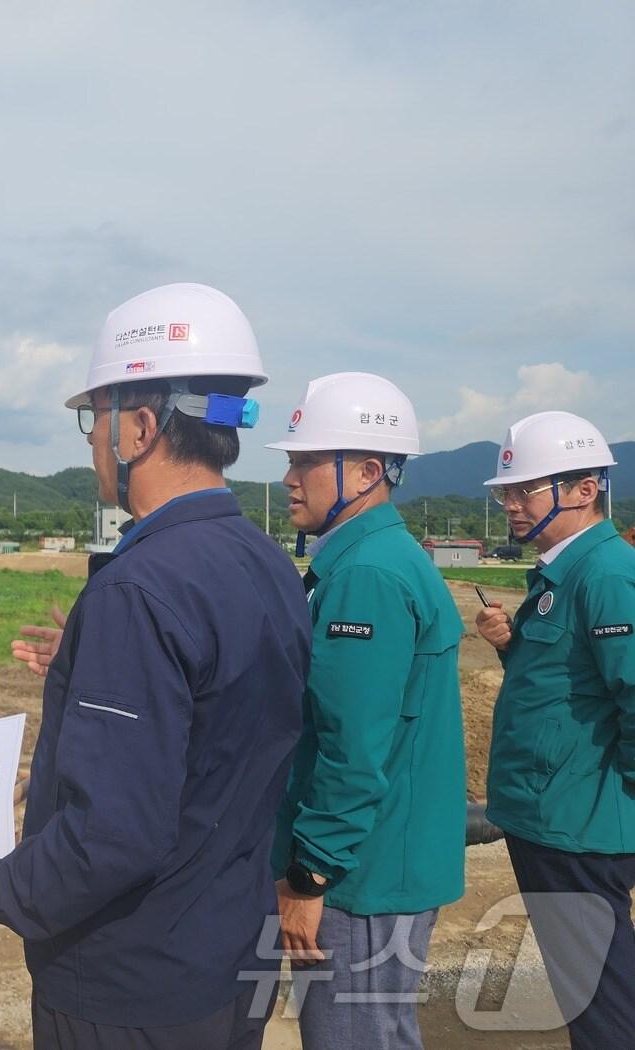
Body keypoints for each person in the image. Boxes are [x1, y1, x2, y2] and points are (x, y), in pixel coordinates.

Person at [0, 282, 312, 1048]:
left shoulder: (138, 588)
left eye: (93, 418)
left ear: (141, 427)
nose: (89, 440)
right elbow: (218, 726)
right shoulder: (265, 561)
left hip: (132, 985)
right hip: (229, 956)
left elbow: (112, 839)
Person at [265, 372, 466, 1049]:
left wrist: (309, 873)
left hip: (364, 876)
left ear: (369, 470)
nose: (290, 477)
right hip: (381, 863)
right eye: (292, 459)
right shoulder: (370, 560)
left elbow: (353, 751)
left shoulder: (366, 576)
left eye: (307, 460)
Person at [474, 411, 635, 1050]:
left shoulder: (606, 575)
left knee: (600, 998)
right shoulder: (558, 572)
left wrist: (619, 801)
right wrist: (513, 648)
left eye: (524, 490)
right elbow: (570, 685)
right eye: (505, 492)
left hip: (580, 826)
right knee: (587, 987)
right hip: (551, 816)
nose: (510, 505)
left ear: (584, 489)